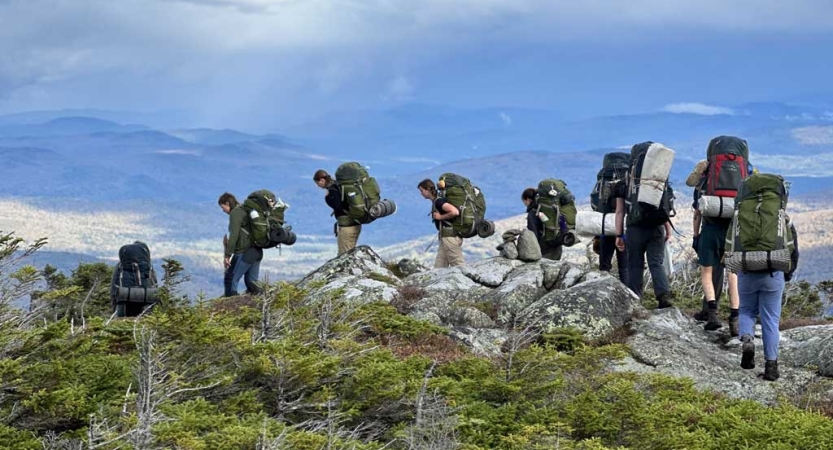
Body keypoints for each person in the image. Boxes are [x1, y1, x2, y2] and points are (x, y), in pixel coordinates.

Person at [738, 222, 799, 381]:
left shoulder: (742, 214)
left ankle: (748, 340)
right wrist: (787, 274)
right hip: (773, 273)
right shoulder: (782, 219)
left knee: (746, 311)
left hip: (746, 271)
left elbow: (731, 245)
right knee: (770, 320)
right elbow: (793, 251)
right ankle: (771, 366)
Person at [614, 144, 673, 308]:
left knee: (635, 264)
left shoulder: (624, 182)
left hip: (634, 229)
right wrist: (667, 229)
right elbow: (665, 207)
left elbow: (620, 212)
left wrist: (619, 235)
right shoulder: (659, 179)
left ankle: (635, 300)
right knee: (656, 263)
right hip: (656, 227)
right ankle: (663, 296)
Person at [687, 160, 740, 335]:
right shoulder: (739, 181)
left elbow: (697, 214)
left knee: (707, 274)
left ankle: (712, 315)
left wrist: (696, 236)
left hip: (709, 232)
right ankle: (734, 318)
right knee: (733, 273)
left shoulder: (704, 184)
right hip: (731, 234)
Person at [218, 192, 262, 297]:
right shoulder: (244, 210)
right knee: (252, 282)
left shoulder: (235, 213)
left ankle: (230, 306)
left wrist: (228, 255)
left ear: (228, 203)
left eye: (222, 207)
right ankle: (260, 303)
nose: (222, 210)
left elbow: (234, 235)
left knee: (230, 279)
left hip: (244, 252)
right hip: (257, 251)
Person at [418, 179, 464, 268]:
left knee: (459, 265)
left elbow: (454, 212)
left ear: (428, 189)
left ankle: (471, 281)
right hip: (445, 237)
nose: (421, 193)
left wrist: (440, 217)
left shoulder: (439, 202)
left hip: (450, 238)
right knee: (439, 268)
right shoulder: (436, 201)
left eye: (422, 190)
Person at [314, 169, 361, 255]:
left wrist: (327, 198)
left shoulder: (332, 190)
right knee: (350, 252)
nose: (318, 186)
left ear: (322, 180)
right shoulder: (338, 185)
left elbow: (338, 206)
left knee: (344, 255)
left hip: (347, 226)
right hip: (355, 223)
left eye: (318, 183)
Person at [521, 188, 562, 260]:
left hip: (545, 250)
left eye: (524, 202)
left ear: (527, 199)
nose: (524, 204)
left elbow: (534, 236)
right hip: (557, 247)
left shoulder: (533, 214)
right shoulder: (550, 209)